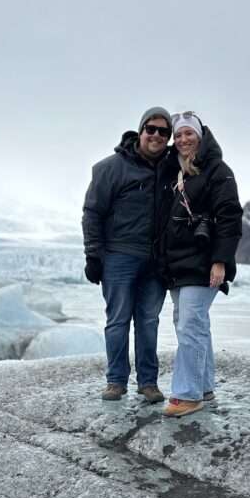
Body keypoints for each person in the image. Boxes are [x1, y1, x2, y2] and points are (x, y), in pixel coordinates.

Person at [82, 107, 172, 402]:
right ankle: (116, 381)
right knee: (118, 320)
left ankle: (148, 383)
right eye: (151, 128)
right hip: (119, 256)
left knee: (148, 322)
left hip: (156, 261)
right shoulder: (112, 167)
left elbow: (204, 152)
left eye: (164, 131)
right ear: (141, 130)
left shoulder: (172, 168)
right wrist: (93, 256)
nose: (156, 135)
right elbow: (92, 212)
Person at [157, 111, 243, 417]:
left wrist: (220, 261)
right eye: (178, 135)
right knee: (192, 323)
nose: (182, 140)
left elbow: (230, 217)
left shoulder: (218, 170)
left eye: (188, 134)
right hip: (179, 265)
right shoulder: (177, 174)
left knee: (190, 323)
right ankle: (204, 387)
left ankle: (187, 394)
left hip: (205, 263)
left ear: (200, 136)